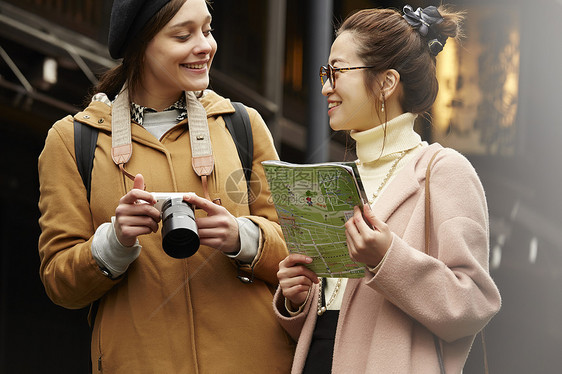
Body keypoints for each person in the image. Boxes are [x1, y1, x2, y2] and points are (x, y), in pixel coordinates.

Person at [37, 0, 294, 372]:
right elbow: (60, 283)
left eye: (207, 29)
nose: (205, 45)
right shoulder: (71, 140)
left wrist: (241, 236)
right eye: (183, 35)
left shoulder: (242, 125)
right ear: (142, 44)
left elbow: (299, 250)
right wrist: (115, 242)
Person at [274, 5, 501, 374]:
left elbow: (473, 302)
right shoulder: (338, 178)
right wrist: (299, 297)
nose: (325, 86)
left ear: (386, 82)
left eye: (337, 72)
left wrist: (387, 258)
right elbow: (338, 322)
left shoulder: (443, 171)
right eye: (325, 72)